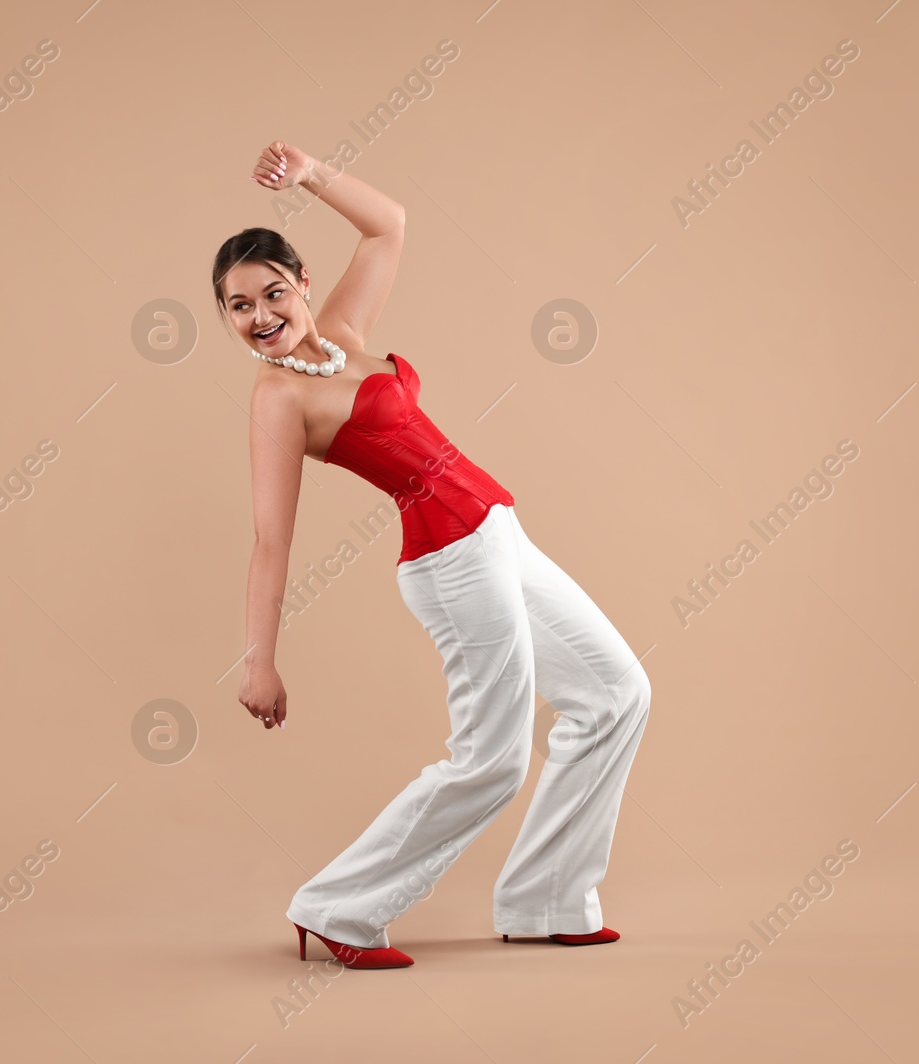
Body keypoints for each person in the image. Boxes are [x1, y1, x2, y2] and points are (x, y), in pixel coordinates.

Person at [213, 141, 652, 970]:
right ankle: (339, 907)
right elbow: (271, 540)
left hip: (496, 531)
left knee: (617, 694)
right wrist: (257, 663)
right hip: (449, 558)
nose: (261, 313)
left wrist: (309, 174)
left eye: (274, 291)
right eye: (239, 306)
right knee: (492, 757)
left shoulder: (341, 331)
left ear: (304, 286)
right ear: (228, 319)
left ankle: (547, 898)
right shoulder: (279, 397)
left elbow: (388, 227)